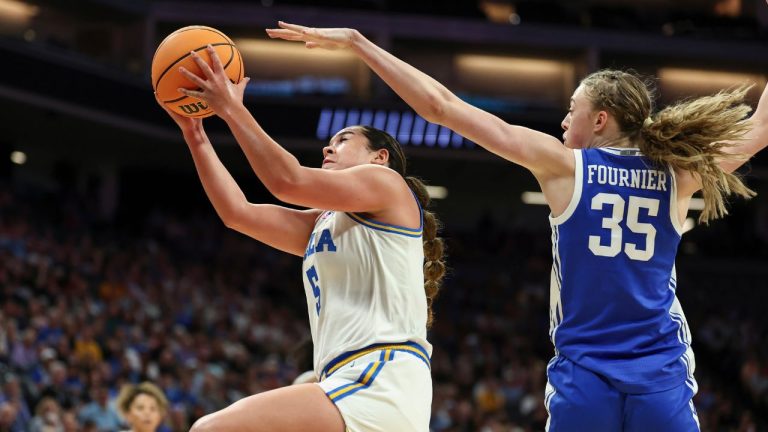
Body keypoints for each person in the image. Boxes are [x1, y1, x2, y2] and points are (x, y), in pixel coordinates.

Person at [267, 16, 768, 432]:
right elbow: (761, 129)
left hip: (584, 371)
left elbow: (441, 108)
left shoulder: (565, 167)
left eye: (572, 110)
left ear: (600, 120)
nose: (563, 122)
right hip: (659, 368)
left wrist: (359, 44)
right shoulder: (678, 174)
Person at [155, 44, 445, 432]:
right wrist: (196, 135)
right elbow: (237, 213)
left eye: (344, 139)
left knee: (211, 430)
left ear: (380, 158)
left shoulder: (387, 185)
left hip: (379, 376)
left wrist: (232, 109)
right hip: (356, 380)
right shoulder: (324, 223)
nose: (329, 146)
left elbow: (286, 181)